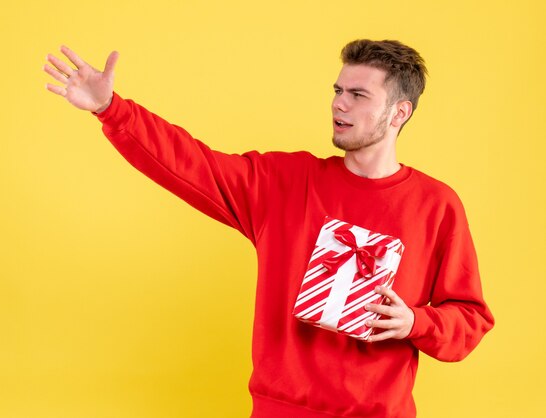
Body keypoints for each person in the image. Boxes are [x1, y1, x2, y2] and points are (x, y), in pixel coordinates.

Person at [43, 39, 494, 417]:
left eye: (358, 95)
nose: (339, 102)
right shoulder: (283, 182)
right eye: (338, 89)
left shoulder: (437, 206)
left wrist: (414, 320)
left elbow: (470, 320)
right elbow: (191, 164)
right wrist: (110, 108)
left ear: (399, 113)